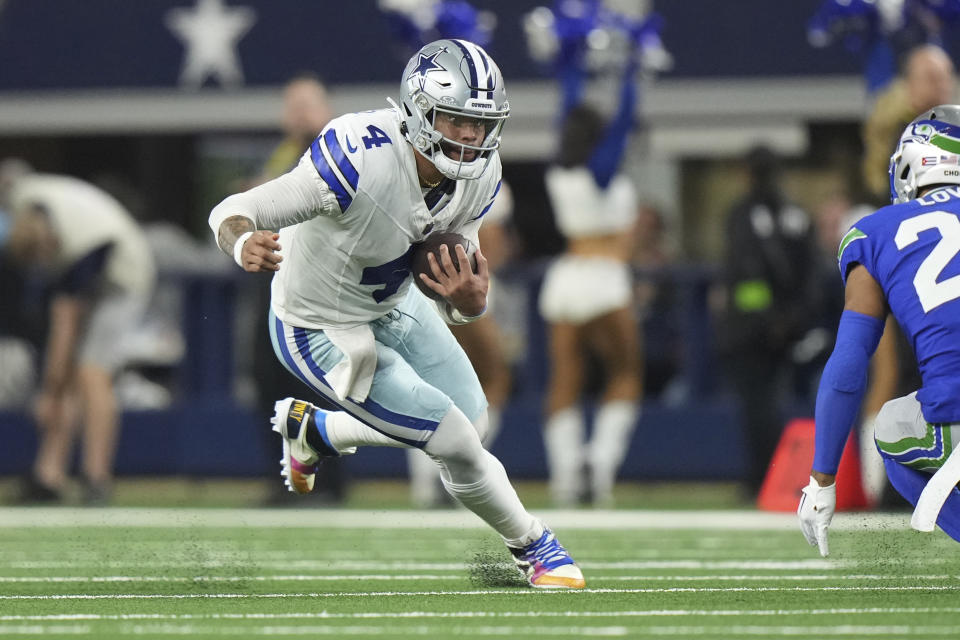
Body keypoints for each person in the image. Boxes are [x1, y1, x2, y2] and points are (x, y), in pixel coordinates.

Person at [208, 39, 584, 589]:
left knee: (472, 427)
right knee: (454, 440)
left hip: (397, 303)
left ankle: (318, 431)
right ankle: (536, 548)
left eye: (480, 125)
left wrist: (468, 304)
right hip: (320, 324)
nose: (470, 137)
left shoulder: (481, 174)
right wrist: (243, 245)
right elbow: (237, 210)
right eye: (456, 121)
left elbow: (455, 276)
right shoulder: (356, 157)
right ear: (420, 111)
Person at [799, 105, 960, 555]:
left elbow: (849, 363)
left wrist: (822, 479)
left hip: (952, 422)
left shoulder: (873, 232)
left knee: (891, 425)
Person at [1, 165, 156, 504]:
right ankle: (49, 474)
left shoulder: (76, 249)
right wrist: (54, 385)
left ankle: (96, 478)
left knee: (91, 373)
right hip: (104, 271)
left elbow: (65, 327)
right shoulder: (38, 204)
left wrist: (49, 392)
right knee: (73, 372)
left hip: (123, 280)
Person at [537, 49, 643, 508]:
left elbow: (569, 104)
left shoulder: (561, 170)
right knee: (624, 373)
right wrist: (633, 70)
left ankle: (564, 475)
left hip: (564, 280)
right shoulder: (601, 175)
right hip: (603, 279)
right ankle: (598, 466)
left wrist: (571, 61)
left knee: (566, 379)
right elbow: (622, 125)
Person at [249, 73, 347, 506]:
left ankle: (329, 481)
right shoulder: (284, 153)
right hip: (278, 279)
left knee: (321, 383)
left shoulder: (334, 149)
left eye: (308, 104)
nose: (300, 114)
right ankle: (287, 478)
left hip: (322, 285)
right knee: (269, 378)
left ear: (325, 110)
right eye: (293, 106)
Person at [405, 181, 514, 508]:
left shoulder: (407, 173)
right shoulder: (487, 179)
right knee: (492, 380)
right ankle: (453, 469)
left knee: (423, 386)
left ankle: (426, 481)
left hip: (412, 290)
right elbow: (490, 248)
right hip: (461, 289)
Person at [720, 146, 820, 498]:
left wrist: (766, 319)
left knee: (757, 405)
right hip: (792, 327)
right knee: (782, 402)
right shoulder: (795, 214)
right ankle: (786, 477)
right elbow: (812, 270)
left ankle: (763, 479)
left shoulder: (742, 214)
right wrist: (794, 317)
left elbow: (746, 272)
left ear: (747, 172)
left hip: (752, 329)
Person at [862, 44, 957, 204]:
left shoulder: (954, 130)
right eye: (932, 78)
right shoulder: (896, 132)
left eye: (946, 77)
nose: (942, 86)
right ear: (910, 84)